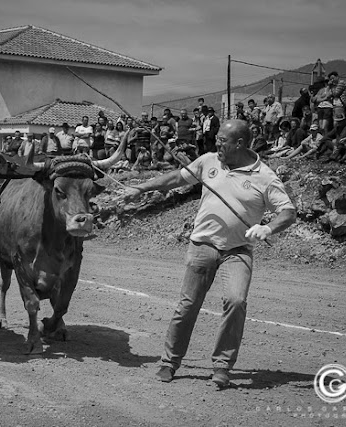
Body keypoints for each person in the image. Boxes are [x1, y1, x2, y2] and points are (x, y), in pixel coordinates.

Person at [123, 120, 296, 387]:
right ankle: (169, 362)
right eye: (217, 139)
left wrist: (268, 228)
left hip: (238, 251)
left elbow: (288, 212)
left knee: (236, 301)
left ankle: (222, 366)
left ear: (239, 143)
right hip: (202, 246)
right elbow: (176, 178)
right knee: (188, 305)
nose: (217, 144)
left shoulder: (264, 176)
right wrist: (141, 188)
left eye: (222, 140)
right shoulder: (208, 161)